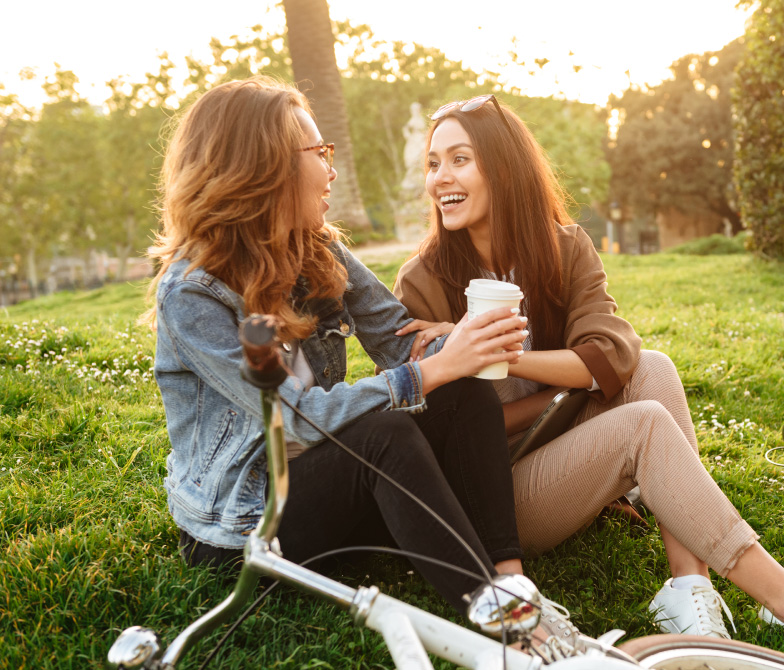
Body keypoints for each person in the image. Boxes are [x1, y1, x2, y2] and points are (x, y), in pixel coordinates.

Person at [392, 94, 784, 664]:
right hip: (496, 494)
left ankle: (688, 588)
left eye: (459, 159)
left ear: (503, 167)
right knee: (640, 423)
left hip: (555, 437)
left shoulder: (562, 247)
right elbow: (429, 433)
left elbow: (613, 351)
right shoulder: (422, 280)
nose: (441, 177)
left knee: (653, 368)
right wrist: (559, 383)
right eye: (433, 163)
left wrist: (507, 355)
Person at [141, 77, 537, 617]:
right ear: (266, 165)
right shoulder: (191, 293)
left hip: (332, 484)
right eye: (320, 152)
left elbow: (400, 342)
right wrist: (431, 371)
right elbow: (298, 420)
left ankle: (513, 584)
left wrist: (456, 344)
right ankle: (509, 624)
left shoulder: (318, 248)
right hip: (246, 526)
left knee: (463, 393)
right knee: (384, 433)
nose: (331, 169)